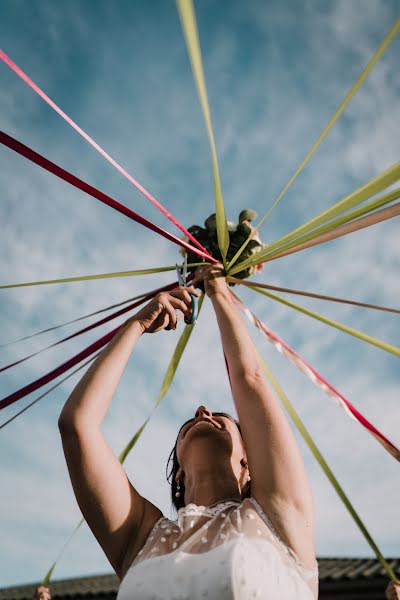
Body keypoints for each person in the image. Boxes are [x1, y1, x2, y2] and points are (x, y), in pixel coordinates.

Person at [58, 264, 319, 599]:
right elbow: (77, 425)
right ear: (178, 473)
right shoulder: (140, 536)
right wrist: (134, 326)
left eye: (222, 415)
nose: (202, 412)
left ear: (250, 462)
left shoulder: (277, 515)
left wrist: (219, 290)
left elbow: (249, 379)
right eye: (191, 421)